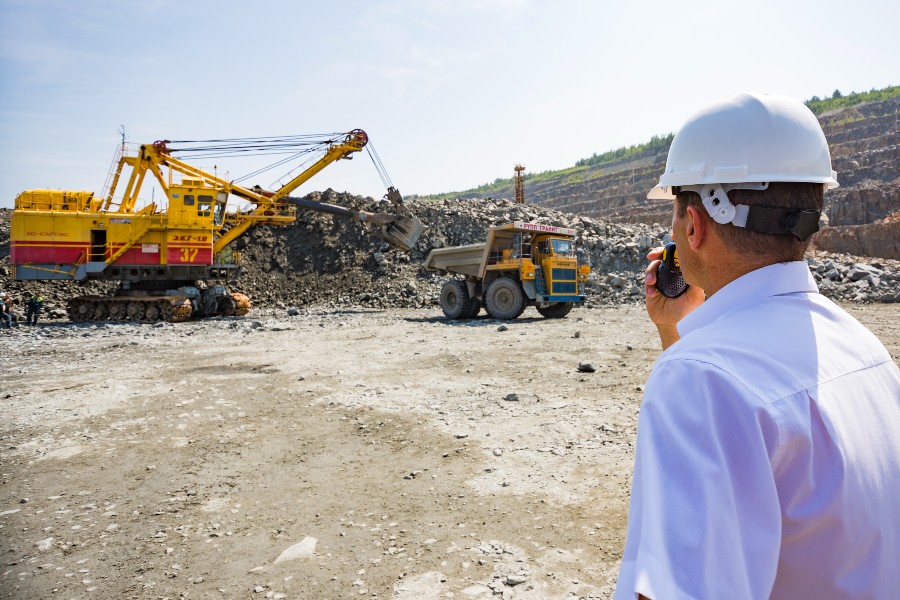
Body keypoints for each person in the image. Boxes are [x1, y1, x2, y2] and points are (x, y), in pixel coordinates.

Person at [615, 92, 900, 599]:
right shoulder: (867, 351)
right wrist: (677, 337)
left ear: (694, 225)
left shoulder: (700, 380)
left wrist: (685, 354)